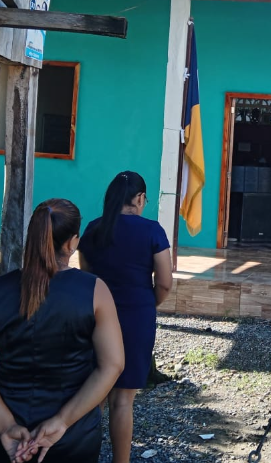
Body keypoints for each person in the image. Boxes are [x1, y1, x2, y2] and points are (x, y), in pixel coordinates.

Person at [0, 199, 125, 463]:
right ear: (72, 243)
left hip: (2, 441)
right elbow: (113, 365)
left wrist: (5, 426)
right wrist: (62, 421)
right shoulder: (95, 291)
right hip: (72, 438)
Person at [78, 171, 173, 463]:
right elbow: (165, 282)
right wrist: (148, 303)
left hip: (96, 318)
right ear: (140, 198)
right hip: (136, 317)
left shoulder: (93, 229)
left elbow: (86, 277)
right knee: (122, 400)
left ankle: (85, 456)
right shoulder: (152, 230)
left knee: (94, 396)